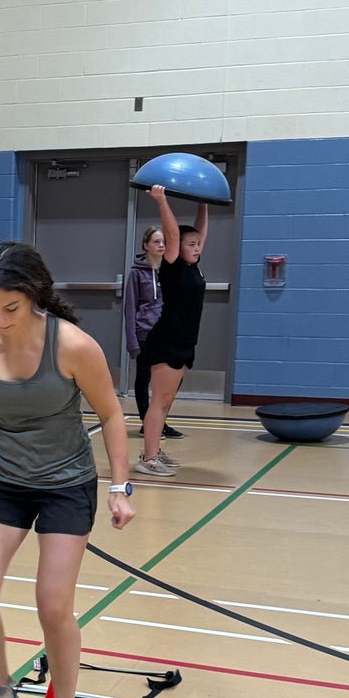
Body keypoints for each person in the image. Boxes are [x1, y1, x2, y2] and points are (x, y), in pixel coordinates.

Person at [0, 241, 135, 698]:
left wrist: (121, 488)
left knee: (52, 606)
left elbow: (111, 414)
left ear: (34, 296)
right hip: (3, 482)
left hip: (65, 484)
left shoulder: (73, 345)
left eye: (10, 308)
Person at [135, 183, 208, 478]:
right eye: (191, 245)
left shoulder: (194, 267)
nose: (196, 248)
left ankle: (153, 450)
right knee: (159, 400)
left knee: (166, 402)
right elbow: (174, 235)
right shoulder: (172, 265)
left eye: (198, 245)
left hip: (184, 343)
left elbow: (198, 233)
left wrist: (204, 204)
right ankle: (148, 458)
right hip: (166, 342)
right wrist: (161, 201)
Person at [123, 223, 180, 442]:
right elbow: (130, 309)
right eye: (156, 241)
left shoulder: (171, 270)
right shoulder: (136, 274)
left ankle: (159, 422)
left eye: (164, 242)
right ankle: (147, 423)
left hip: (167, 335)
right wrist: (132, 342)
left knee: (166, 381)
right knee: (144, 377)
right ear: (145, 245)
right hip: (146, 334)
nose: (161, 245)